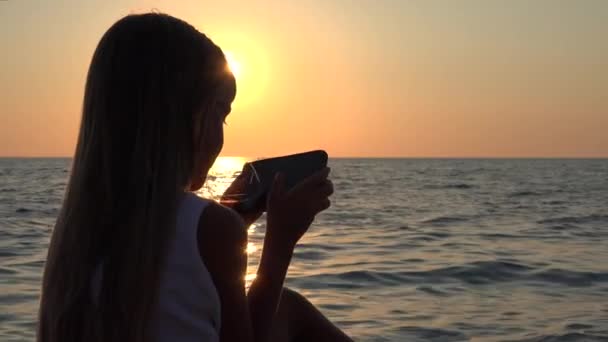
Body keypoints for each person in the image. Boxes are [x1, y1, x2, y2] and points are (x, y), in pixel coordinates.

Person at [37, 12, 352, 342]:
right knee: (289, 309)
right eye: (222, 114)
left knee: (287, 308)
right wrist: (279, 244)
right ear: (184, 116)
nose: (221, 134)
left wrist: (233, 220)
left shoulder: (75, 233)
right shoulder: (215, 230)